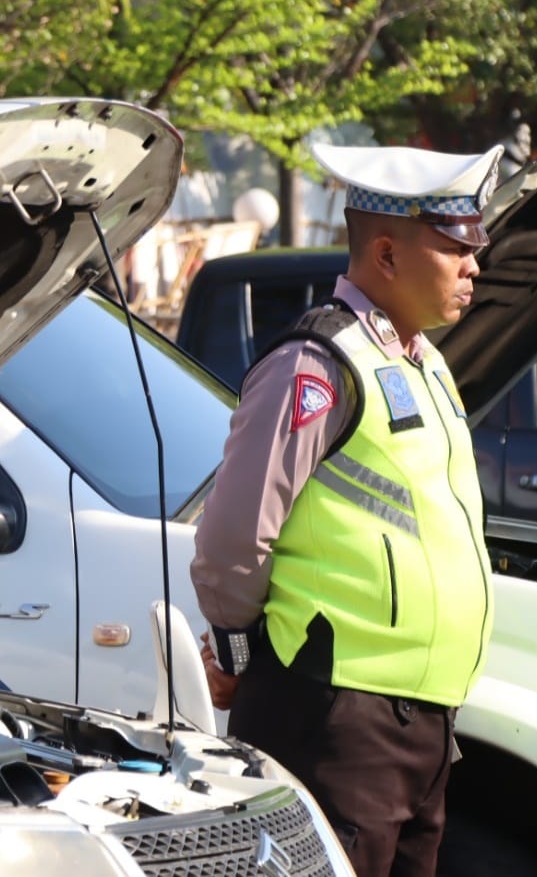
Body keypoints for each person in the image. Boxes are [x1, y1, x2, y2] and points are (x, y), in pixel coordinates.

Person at [191, 139, 502, 877]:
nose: (474, 266)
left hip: (416, 724)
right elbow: (234, 536)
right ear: (388, 255)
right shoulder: (317, 363)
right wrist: (238, 653)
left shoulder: (422, 363)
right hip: (336, 719)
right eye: (456, 248)